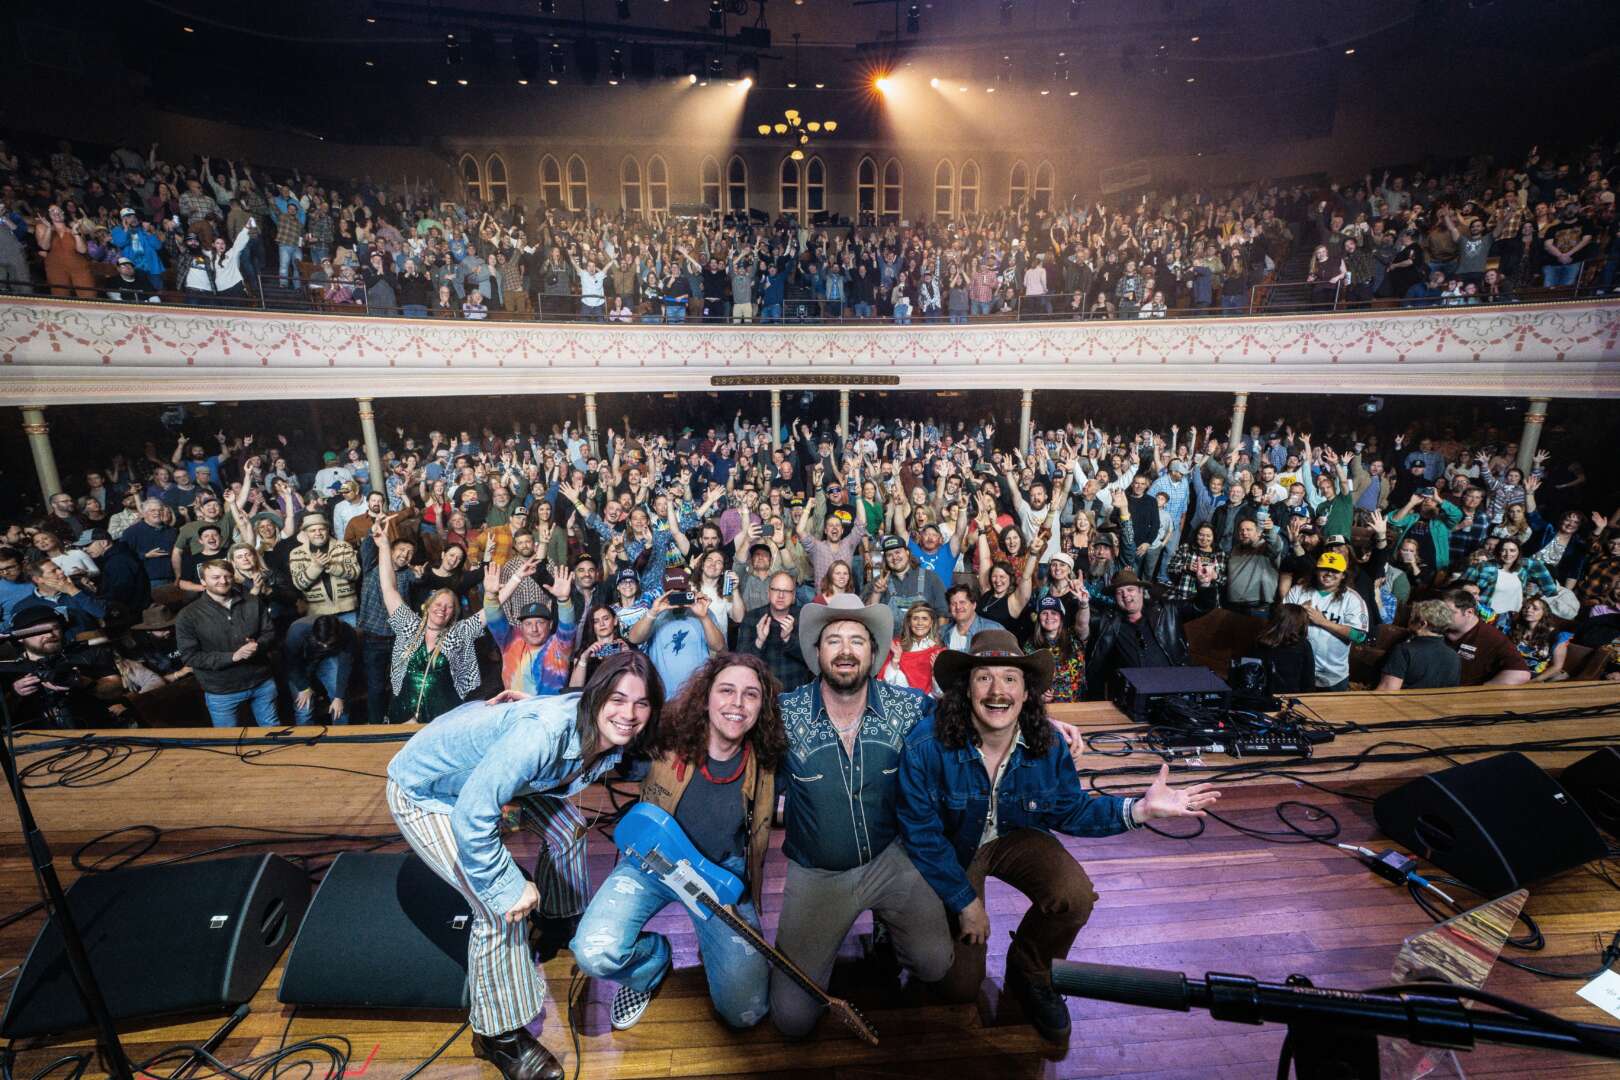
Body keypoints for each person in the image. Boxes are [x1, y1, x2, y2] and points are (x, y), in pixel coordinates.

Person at [898, 628, 1219, 1041]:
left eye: (1010, 678)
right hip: (954, 848)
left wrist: (1139, 809)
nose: (997, 691)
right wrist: (965, 901)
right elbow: (921, 834)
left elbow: (1071, 809)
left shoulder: (1047, 743)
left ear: (1026, 692)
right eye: (984, 677)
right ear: (966, 689)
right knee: (959, 987)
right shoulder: (927, 743)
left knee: (1074, 894)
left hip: (1013, 835)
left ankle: (1031, 969)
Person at [385, 651, 664, 1080]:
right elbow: (473, 813)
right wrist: (506, 887)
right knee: (499, 910)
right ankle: (498, 1037)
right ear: (596, 697)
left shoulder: (589, 724)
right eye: (618, 699)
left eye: (641, 703)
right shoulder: (542, 735)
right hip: (428, 792)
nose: (629, 714)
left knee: (569, 829)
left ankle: (559, 920)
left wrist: (527, 709)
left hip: (485, 775)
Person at [769, 594, 953, 1039]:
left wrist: (1035, 724)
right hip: (818, 872)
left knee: (935, 965)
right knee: (792, 1019)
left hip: (891, 858)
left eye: (857, 640)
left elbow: (966, 721)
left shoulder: (909, 708)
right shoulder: (784, 715)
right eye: (834, 640)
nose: (846, 651)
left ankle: (889, 929)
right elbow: (727, 730)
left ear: (874, 653)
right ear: (817, 652)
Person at [571, 653, 781, 1031]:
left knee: (745, 1012)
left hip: (719, 877)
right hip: (651, 862)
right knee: (595, 952)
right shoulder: (665, 735)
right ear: (705, 696)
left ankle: (713, 944)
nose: (737, 703)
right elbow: (604, 721)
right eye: (726, 690)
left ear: (762, 706)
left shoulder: (768, 757)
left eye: (750, 694)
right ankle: (651, 964)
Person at [371, 520, 502, 723]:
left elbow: (488, 613)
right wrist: (384, 547)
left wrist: (503, 587)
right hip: (402, 712)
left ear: (453, 614)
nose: (442, 609)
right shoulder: (410, 627)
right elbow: (389, 588)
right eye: (439, 604)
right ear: (428, 606)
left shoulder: (457, 633)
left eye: (449, 607)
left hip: (440, 718)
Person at [174, 559, 280, 727]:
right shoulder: (188, 615)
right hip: (221, 690)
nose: (223, 581)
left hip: (261, 681)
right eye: (215, 577)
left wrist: (258, 645)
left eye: (227, 576)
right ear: (203, 581)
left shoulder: (253, 601)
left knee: (272, 730)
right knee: (228, 738)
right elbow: (190, 657)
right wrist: (233, 657)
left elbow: (270, 633)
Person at [1085, 568, 1211, 700]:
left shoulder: (1167, 610)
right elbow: (1083, 624)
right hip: (1130, 696)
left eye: (1130, 590)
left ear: (1141, 591)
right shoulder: (1108, 622)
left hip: (1174, 691)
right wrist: (1081, 603)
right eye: (1119, 592)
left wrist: (1204, 584)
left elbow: (1202, 606)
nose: (1125, 595)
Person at [624, 567, 725, 698]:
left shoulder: (702, 612)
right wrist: (653, 613)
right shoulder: (655, 614)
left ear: (689, 590)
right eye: (672, 593)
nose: (677, 597)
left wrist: (704, 617)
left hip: (697, 693)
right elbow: (634, 638)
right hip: (663, 694)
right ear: (664, 593)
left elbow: (718, 646)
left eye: (681, 592)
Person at [1282, 552, 1370, 691]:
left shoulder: (1352, 599)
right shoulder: (1298, 591)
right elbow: (1280, 624)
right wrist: (1298, 614)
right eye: (1325, 569)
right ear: (1316, 571)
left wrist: (1323, 622)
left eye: (1335, 571)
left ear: (1343, 575)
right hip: (1297, 669)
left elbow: (1360, 636)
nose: (1329, 573)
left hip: (1333, 675)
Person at [734, 569, 812, 692]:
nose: (781, 595)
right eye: (776, 590)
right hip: (763, 692)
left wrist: (789, 639)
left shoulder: (804, 617)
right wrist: (759, 641)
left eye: (786, 591)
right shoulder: (752, 618)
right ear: (768, 593)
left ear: (793, 596)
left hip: (796, 693)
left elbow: (813, 660)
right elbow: (741, 663)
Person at [1439, 587, 1531, 686]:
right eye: (1439, 611)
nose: (1441, 616)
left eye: (1448, 612)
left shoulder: (1491, 637)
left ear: (1469, 612)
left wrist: (1481, 690)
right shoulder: (1436, 628)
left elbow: (1521, 674)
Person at [284, 613, 358, 724]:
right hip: (300, 663)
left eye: (329, 643)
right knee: (304, 706)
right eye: (321, 643)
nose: (325, 646)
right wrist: (303, 687)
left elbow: (345, 665)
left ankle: (340, 733)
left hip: (326, 658)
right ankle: (306, 734)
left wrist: (339, 696)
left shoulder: (347, 632)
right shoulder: (297, 632)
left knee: (340, 700)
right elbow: (291, 663)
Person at [1376, 599, 1462, 691]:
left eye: (1412, 617)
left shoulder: (1404, 651)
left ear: (1422, 624)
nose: (1409, 620)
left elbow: (1386, 691)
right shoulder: (1454, 657)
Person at [1245, 604, 1317, 696]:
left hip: (1263, 696)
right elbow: (1308, 679)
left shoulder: (1261, 641)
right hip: (1291, 697)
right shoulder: (1303, 645)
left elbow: (1250, 673)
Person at [1024, 595, 1085, 702]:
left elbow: (1083, 625)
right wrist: (1038, 694)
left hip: (1076, 705)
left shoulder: (1074, 638)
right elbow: (1026, 680)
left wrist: (1084, 604)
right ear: (1038, 618)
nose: (1049, 617)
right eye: (1044, 613)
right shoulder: (1030, 645)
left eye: (1054, 613)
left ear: (1061, 616)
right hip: (1046, 707)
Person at [879, 601, 945, 694]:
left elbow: (940, 694)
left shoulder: (939, 652)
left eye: (924, 619)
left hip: (927, 702)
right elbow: (883, 685)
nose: (920, 623)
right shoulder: (896, 646)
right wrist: (895, 660)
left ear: (931, 623)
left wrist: (936, 672)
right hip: (897, 700)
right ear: (909, 622)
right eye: (915, 618)